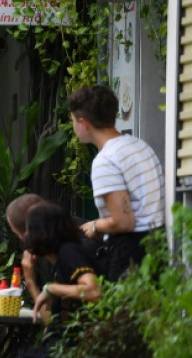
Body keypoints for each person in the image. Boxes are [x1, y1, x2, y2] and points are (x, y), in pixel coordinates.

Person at [0, 202, 102, 358]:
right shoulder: (59, 262)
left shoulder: (70, 252)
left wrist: (53, 289)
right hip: (55, 350)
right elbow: (49, 321)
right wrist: (30, 281)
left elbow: (95, 291)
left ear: (42, 232)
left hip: (64, 353)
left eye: (29, 231)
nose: (25, 237)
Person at [68, 84, 165, 280]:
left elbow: (123, 222)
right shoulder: (138, 145)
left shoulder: (106, 160)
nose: (73, 127)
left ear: (83, 122)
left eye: (73, 121)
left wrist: (96, 225)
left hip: (130, 251)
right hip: (158, 243)